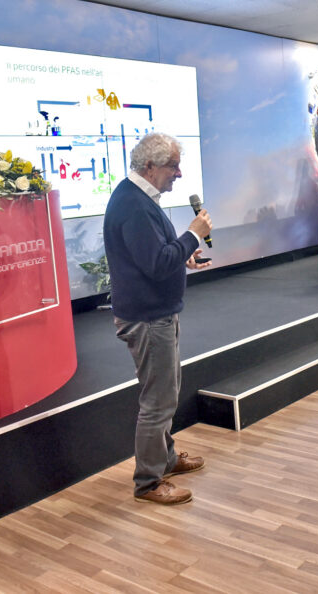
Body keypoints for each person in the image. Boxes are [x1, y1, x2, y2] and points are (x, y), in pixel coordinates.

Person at [103, 132, 213, 505]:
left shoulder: (140, 199)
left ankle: (165, 458)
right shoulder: (133, 205)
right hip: (148, 318)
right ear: (150, 166)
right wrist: (193, 236)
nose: (179, 174)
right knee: (158, 401)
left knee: (165, 394)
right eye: (173, 166)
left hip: (157, 314)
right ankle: (148, 482)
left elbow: (157, 254)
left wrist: (185, 255)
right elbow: (156, 263)